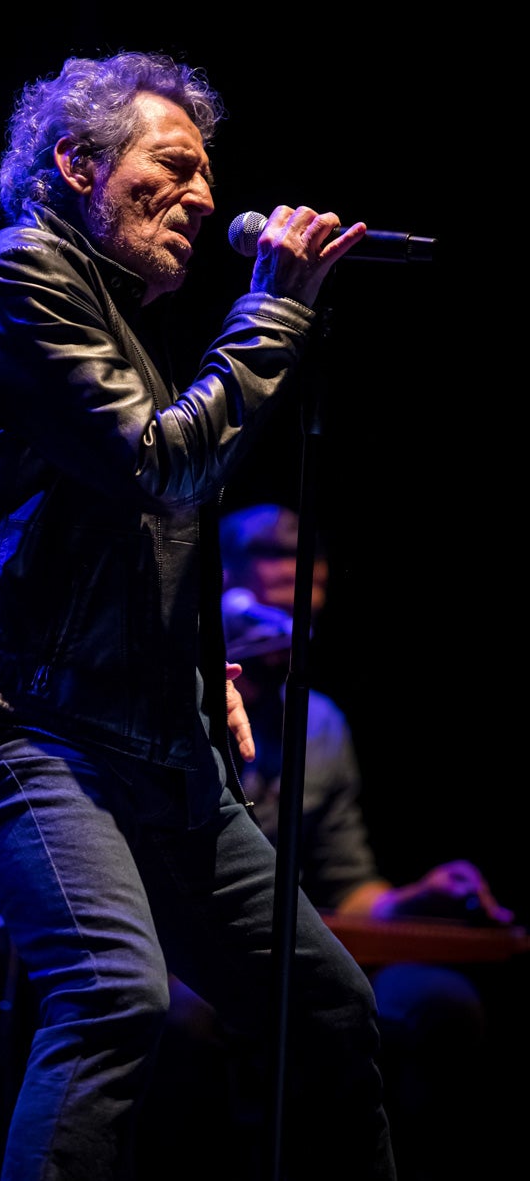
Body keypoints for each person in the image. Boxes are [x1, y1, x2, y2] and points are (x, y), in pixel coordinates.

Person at [0, 50, 397, 1180]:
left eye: (209, 175)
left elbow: (135, 527)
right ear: (76, 164)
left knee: (329, 1008)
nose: (206, 198)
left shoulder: (120, 327)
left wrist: (205, 684)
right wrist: (273, 314)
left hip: (138, 733)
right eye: (174, 167)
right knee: (111, 993)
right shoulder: (16, 276)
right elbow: (161, 465)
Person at [202, 502, 516, 1181]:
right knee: (184, 1015)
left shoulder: (322, 723)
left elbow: (348, 889)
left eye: (309, 569)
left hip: (303, 950)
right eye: (276, 558)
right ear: (222, 576)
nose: (298, 576)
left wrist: (417, 900)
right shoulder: (174, 698)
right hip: (192, 946)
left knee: (437, 1002)